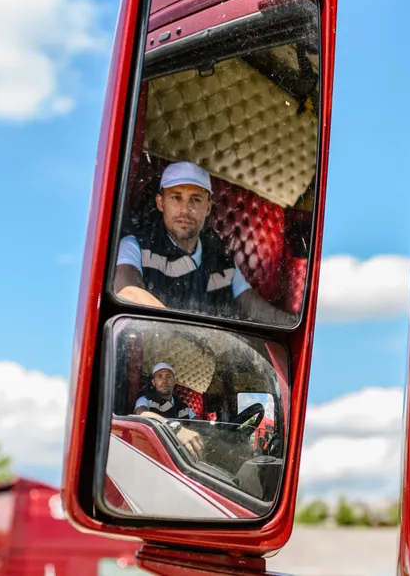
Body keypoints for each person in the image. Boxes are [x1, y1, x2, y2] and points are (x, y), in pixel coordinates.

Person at [112, 161, 291, 324]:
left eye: (195, 200)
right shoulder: (134, 246)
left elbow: (255, 307)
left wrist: (295, 324)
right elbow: (128, 291)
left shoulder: (223, 263)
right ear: (161, 203)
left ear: (208, 207)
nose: (185, 210)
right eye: (176, 197)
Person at [132, 362, 205, 458]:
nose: (164, 381)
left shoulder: (182, 406)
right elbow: (142, 414)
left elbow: (199, 422)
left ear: (174, 381)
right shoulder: (145, 399)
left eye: (168, 377)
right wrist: (177, 429)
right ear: (153, 382)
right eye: (159, 376)